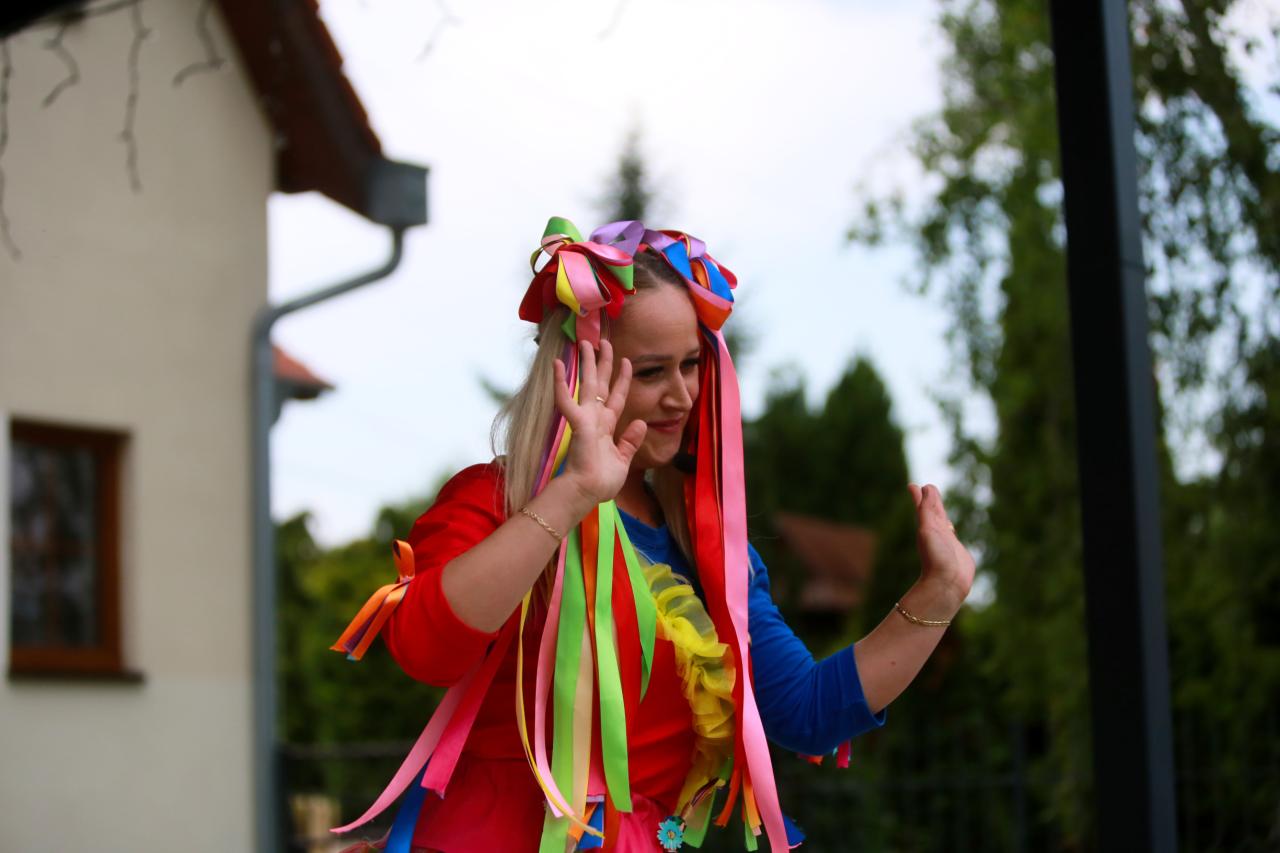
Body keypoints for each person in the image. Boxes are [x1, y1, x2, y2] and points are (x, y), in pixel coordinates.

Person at [332, 218, 975, 852]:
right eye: (650, 372)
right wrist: (573, 493)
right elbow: (426, 648)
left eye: (692, 365)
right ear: (577, 373)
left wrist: (940, 591)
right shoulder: (495, 500)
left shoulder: (710, 549)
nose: (683, 396)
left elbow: (807, 713)